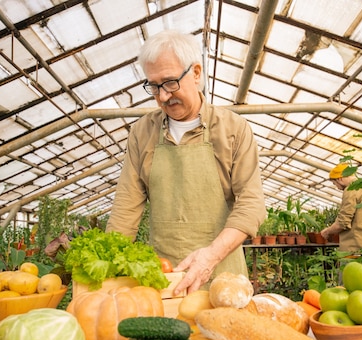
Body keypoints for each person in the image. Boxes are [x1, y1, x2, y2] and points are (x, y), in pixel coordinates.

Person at [106, 30, 266, 295]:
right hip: (163, 277)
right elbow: (126, 208)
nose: (163, 97)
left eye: (170, 83)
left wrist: (210, 257)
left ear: (195, 73)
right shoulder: (142, 132)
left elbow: (251, 204)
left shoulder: (232, 129)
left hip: (223, 277)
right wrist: (108, 268)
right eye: (154, 86)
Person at [320, 163, 362, 254]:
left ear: (340, 179)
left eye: (335, 183)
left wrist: (327, 232)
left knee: (351, 268)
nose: (337, 187)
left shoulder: (351, 190)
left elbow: (343, 222)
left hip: (356, 246)